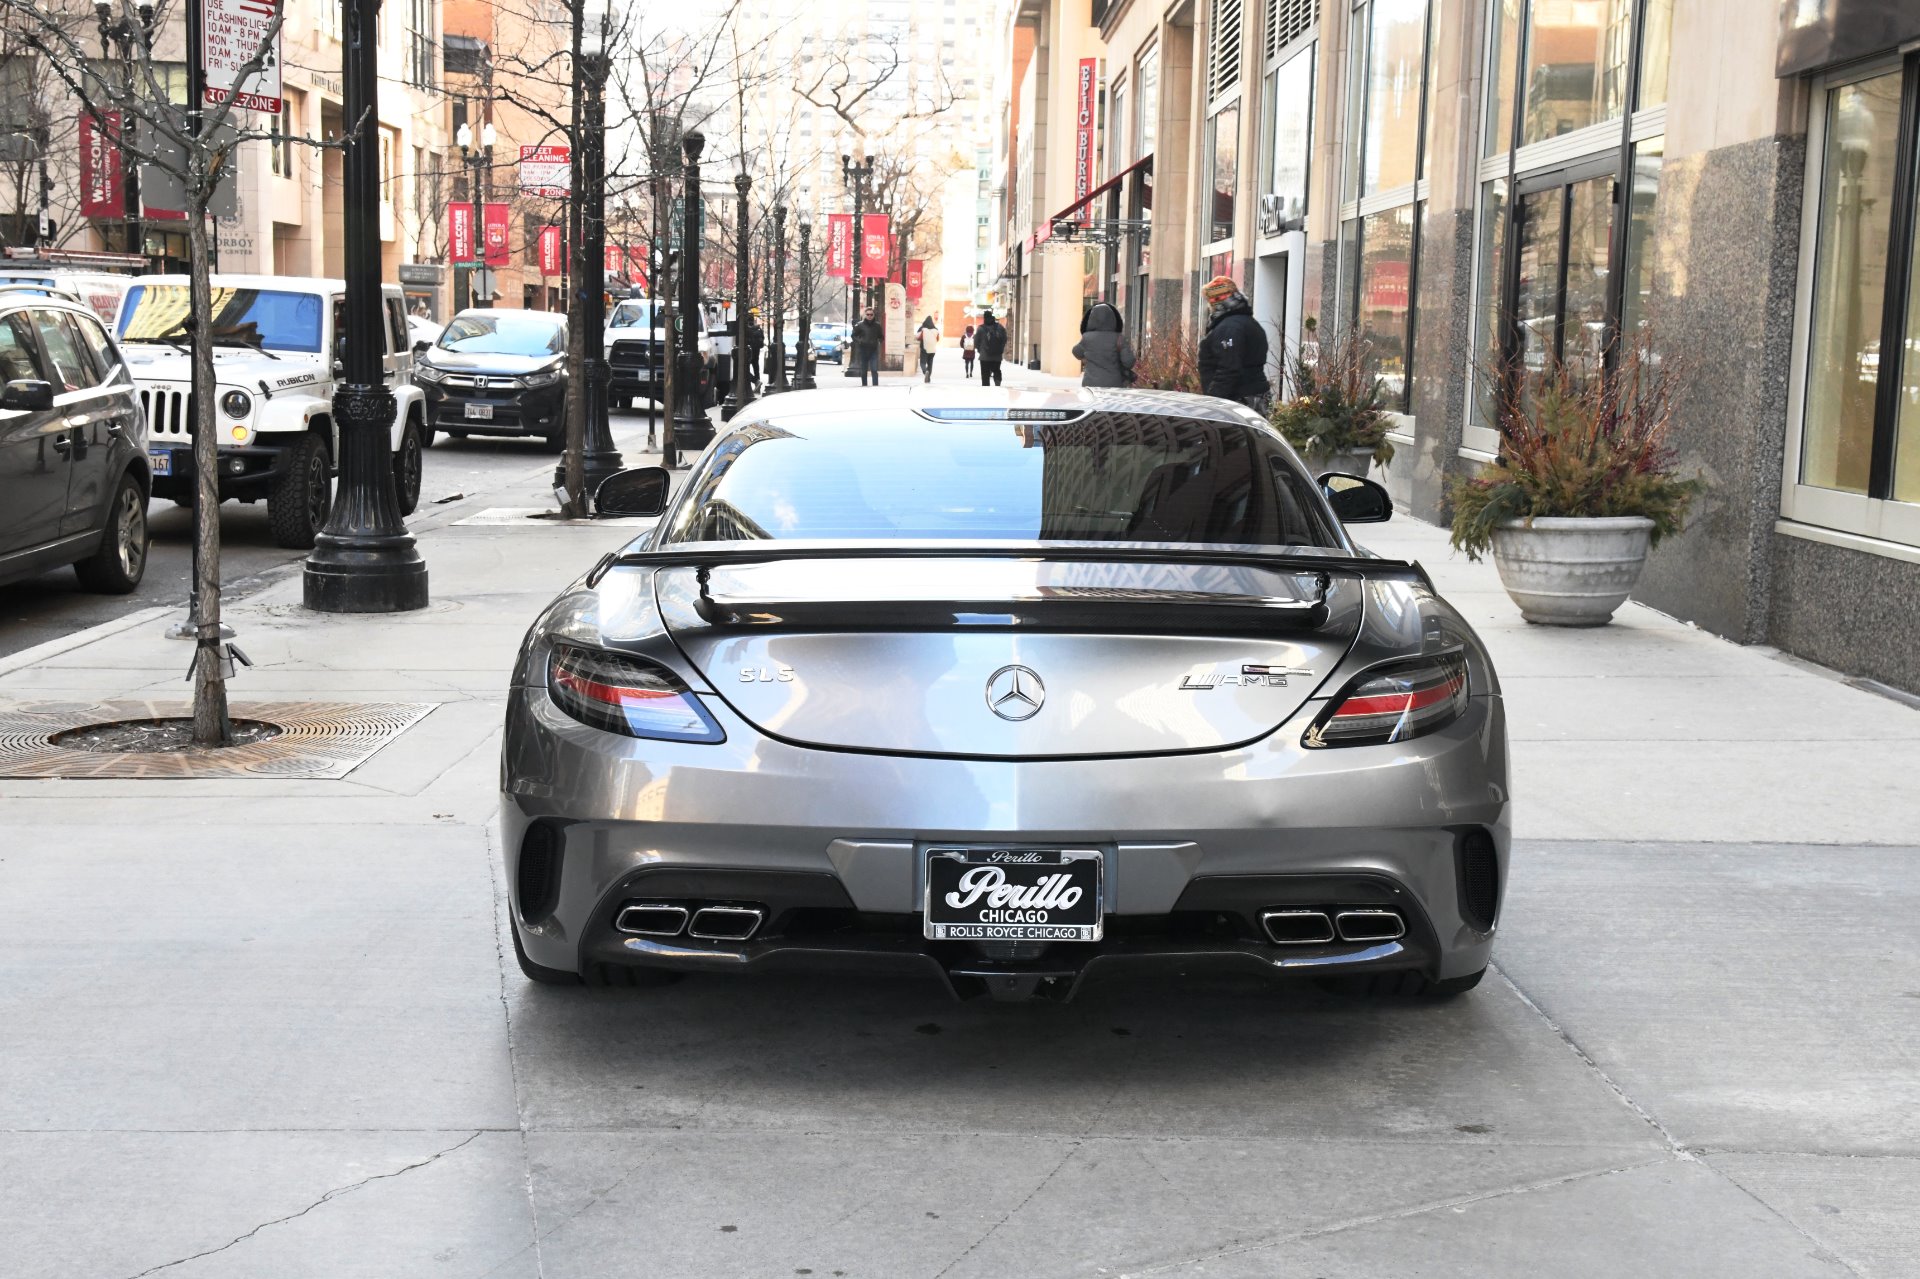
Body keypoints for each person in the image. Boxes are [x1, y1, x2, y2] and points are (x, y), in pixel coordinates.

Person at [1197, 275, 1271, 411]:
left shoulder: (1229, 328)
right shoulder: (1248, 322)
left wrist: (1212, 403)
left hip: (1238, 401)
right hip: (1252, 397)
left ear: (1217, 301)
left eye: (1210, 301)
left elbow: (1228, 369)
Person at [1070, 301, 1135, 388]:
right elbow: (1129, 362)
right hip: (1114, 384)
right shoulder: (1119, 338)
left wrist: (1085, 357)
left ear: (1092, 319)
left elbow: (1076, 352)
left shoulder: (1087, 338)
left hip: (1090, 384)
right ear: (1112, 320)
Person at [849, 307, 884, 386]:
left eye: (871, 314)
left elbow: (881, 336)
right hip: (863, 350)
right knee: (864, 370)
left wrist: (879, 341)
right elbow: (853, 335)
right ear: (865, 315)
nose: (869, 316)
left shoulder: (877, 326)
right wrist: (859, 341)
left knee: (874, 369)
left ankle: (875, 386)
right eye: (868, 314)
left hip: (873, 350)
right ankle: (864, 385)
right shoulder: (860, 325)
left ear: (873, 315)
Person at [974, 309, 1008, 386]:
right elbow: (1005, 339)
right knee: (997, 370)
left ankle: (986, 389)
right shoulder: (1000, 327)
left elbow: (976, 342)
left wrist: (980, 350)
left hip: (984, 356)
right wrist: (1000, 348)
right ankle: (997, 383)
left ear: (984, 318)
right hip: (997, 356)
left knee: (985, 374)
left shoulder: (981, 328)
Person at [744, 308, 765, 392]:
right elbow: (762, 340)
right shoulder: (758, 329)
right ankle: (758, 385)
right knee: (756, 368)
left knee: (745, 369)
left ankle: (755, 382)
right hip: (756, 352)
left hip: (748, 352)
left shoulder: (747, 330)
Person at [915, 315, 940, 383]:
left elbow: (917, 337)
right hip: (932, 350)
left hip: (924, 349)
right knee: (930, 363)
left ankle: (925, 371)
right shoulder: (936, 329)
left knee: (922, 363)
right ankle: (928, 378)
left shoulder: (922, 328)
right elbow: (937, 339)